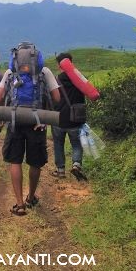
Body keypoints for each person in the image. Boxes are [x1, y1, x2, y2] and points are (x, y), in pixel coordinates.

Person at [0, 42, 61, 216]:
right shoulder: (44, 71)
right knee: (35, 161)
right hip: (37, 122)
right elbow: (57, 97)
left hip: (15, 120)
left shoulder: (10, 72)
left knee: (15, 161)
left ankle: (19, 204)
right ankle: (31, 197)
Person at [51, 52, 91, 181]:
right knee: (76, 144)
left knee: (58, 144)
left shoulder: (56, 80)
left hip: (59, 119)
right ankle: (76, 165)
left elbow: (52, 98)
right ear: (71, 63)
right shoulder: (79, 78)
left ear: (59, 65)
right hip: (76, 118)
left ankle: (60, 170)